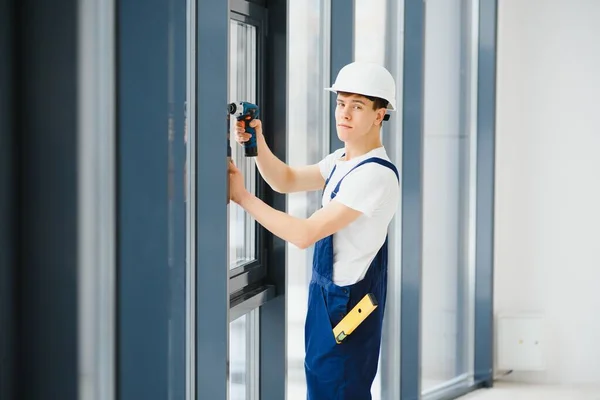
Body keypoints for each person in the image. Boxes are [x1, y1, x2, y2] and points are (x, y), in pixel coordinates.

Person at [228, 61, 399, 400]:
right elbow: (285, 179)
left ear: (380, 115)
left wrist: (242, 197)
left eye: (357, 106)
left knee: (340, 389)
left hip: (346, 308)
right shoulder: (342, 160)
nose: (344, 113)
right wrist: (257, 141)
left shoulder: (374, 175)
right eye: (340, 103)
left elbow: (305, 234)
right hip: (328, 301)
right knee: (323, 387)